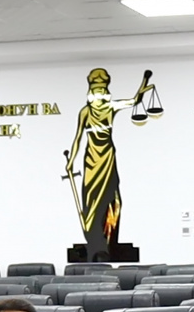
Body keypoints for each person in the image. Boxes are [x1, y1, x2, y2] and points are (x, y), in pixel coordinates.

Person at [65, 68, 156, 261]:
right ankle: (96, 243)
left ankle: (110, 240)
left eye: (102, 89)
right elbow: (77, 138)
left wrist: (143, 85)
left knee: (114, 200)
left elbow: (134, 101)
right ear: (91, 91)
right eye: (96, 89)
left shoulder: (111, 107)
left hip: (107, 156)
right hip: (92, 160)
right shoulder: (85, 112)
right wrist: (71, 161)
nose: (99, 93)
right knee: (92, 200)